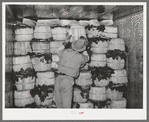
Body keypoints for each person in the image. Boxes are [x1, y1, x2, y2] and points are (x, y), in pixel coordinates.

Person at [54, 36, 89, 108]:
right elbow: (87, 58)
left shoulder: (65, 52)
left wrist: (65, 43)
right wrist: (84, 50)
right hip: (67, 80)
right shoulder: (81, 57)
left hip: (58, 79)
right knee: (66, 106)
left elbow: (57, 51)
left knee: (58, 105)